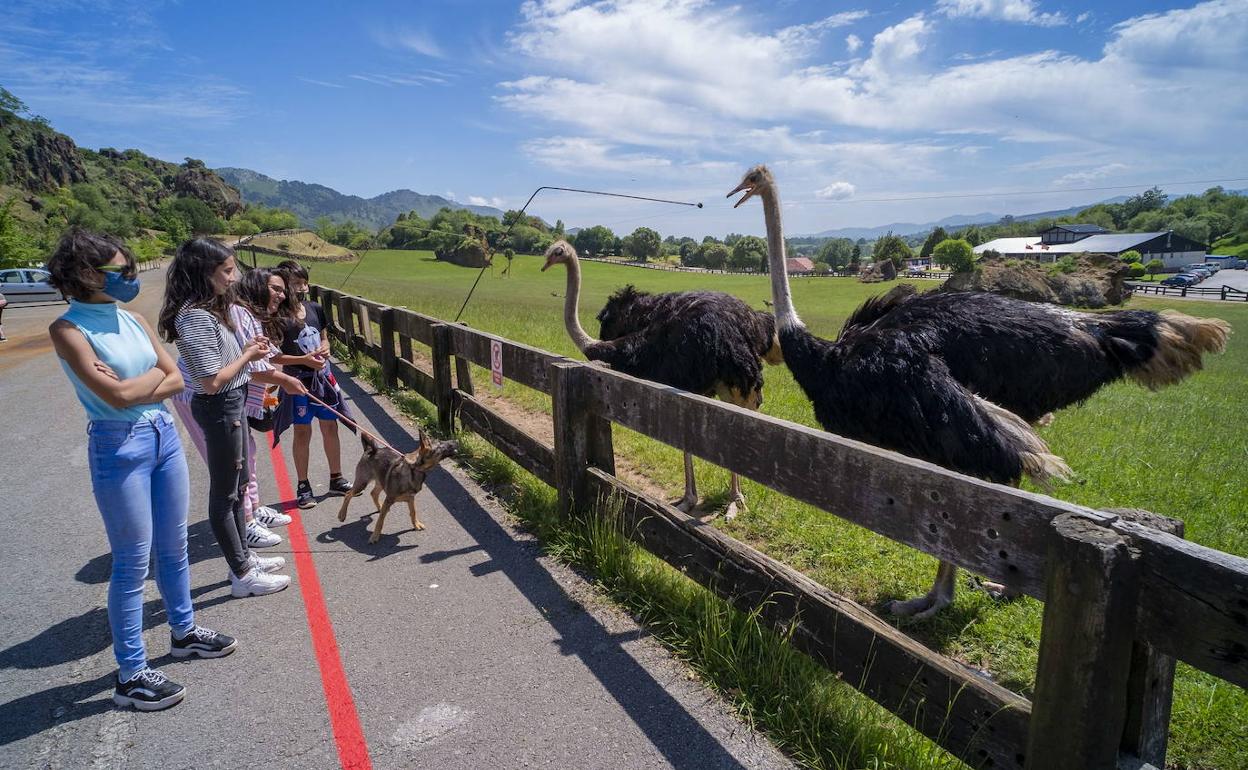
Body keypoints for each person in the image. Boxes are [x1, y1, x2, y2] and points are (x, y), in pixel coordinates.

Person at [46, 228, 236, 712]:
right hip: (118, 445)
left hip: (162, 436)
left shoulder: (130, 318)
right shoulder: (68, 329)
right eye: (121, 271)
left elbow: (175, 377)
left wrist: (141, 383)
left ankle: (184, 631)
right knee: (132, 563)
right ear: (86, 274)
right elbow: (119, 396)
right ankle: (131, 674)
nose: (130, 278)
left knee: (173, 549)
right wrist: (149, 380)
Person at [158, 238, 289, 598]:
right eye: (227, 271)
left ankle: (245, 558)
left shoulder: (211, 310)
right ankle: (242, 574)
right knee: (226, 494)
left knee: (239, 483)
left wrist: (248, 352)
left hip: (233, 404)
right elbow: (212, 381)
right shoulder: (196, 316)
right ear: (205, 273)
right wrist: (247, 356)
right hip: (220, 407)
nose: (233, 278)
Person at [168, 267, 305, 543]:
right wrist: (286, 380)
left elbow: (266, 356)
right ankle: (246, 523)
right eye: (275, 288)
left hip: (229, 394)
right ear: (256, 286)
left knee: (247, 453)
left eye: (282, 290)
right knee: (232, 465)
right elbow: (251, 365)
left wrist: (301, 363)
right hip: (202, 396)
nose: (280, 295)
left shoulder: (248, 313)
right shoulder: (238, 312)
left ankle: (253, 508)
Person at [272, 259, 352, 509]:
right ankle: (303, 485)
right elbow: (273, 355)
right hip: (297, 381)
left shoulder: (316, 308)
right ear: (284, 286)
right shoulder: (277, 317)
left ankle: (336, 478)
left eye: (303, 282)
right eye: (295, 283)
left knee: (331, 427)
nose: (301, 287)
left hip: (324, 380)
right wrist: (302, 359)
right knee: (302, 431)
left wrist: (326, 346)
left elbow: (325, 335)